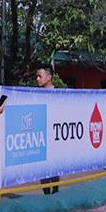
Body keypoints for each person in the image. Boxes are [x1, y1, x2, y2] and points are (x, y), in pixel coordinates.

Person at [36, 65, 59, 195]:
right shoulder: (35, 94)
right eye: (37, 76)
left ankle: (55, 191)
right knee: (42, 166)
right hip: (42, 135)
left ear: (49, 77)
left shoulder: (59, 93)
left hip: (55, 135)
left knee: (55, 165)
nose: (37, 79)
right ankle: (46, 193)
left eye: (40, 76)